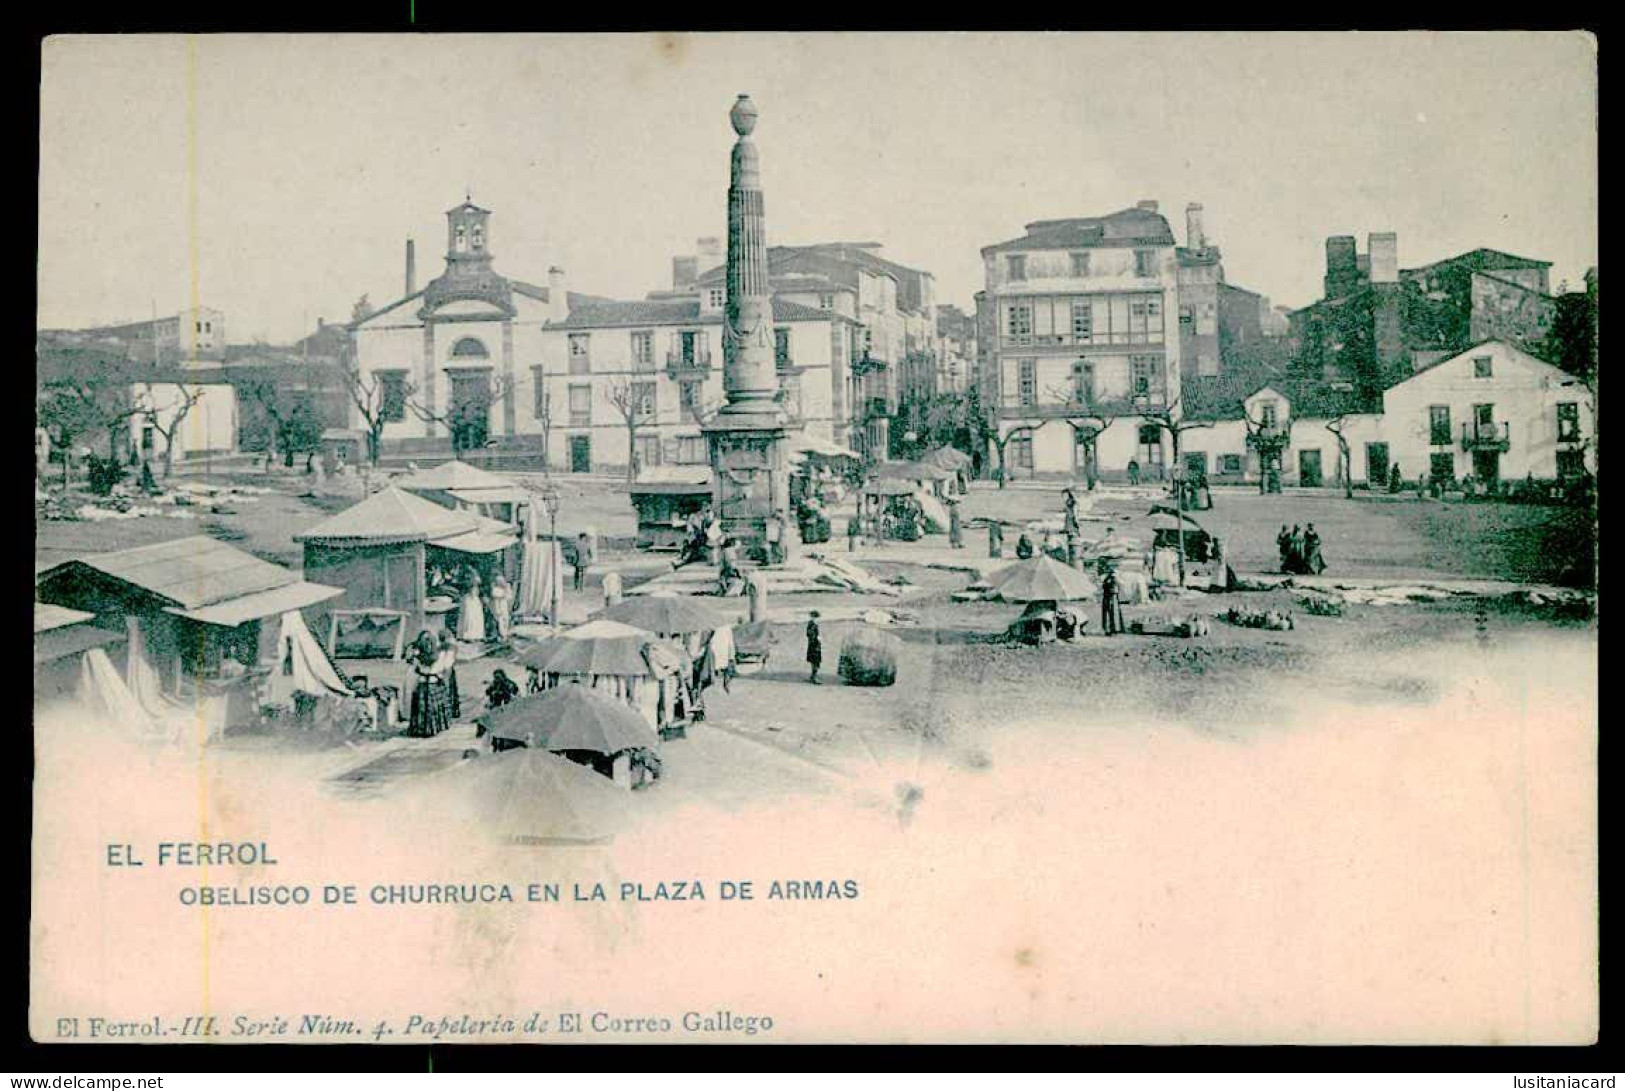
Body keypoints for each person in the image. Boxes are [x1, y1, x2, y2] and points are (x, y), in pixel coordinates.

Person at [405, 630, 450, 738]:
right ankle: (431, 729)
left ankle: (422, 729)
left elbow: (413, 666)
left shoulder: (418, 656)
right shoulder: (439, 654)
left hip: (424, 683)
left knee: (424, 708)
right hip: (431, 683)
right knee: (431, 708)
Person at [457, 568, 486, 643]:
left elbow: (475, 589)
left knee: (472, 618)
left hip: (473, 600)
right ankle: (468, 635)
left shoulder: (474, 581)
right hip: (469, 599)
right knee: (469, 617)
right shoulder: (468, 581)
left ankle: (473, 635)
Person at [438, 630, 462, 720]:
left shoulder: (449, 647)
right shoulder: (450, 646)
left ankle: (448, 711)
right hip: (447, 669)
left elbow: (448, 661)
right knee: (449, 690)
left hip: (446, 669)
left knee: (447, 690)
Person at [1100, 564, 1125, 636]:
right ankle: (1109, 629)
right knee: (1109, 614)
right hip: (1108, 596)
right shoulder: (1106, 578)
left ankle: (1114, 629)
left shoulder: (1114, 578)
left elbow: (1121, 584)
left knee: (1113, 613)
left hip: (1112, 596)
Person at [488, 572, 513, 642]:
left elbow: (509, 597)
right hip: (497, 606)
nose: (500, 582)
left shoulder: (506, 588)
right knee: (500, 620)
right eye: (498, 581)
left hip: (504, 605)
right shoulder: (495, 589)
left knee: (506, 619)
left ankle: (505, 634)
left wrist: (506, 591)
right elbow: (495, 594)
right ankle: (501, 635)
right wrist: (504, 593)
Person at [805, 611, 823, 685]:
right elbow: (811, 635)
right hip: (814, 645)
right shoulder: (813, 625)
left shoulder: (810, 624)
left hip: (812, 644)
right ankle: (814, 677)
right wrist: (817, 640)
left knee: (814, 661)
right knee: (816, 661)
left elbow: (808, 634)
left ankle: (813, 677)